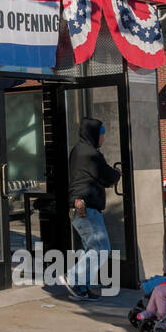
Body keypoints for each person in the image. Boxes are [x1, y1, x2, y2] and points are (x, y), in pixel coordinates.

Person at [63, 117, 122, 300]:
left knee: (93, 248)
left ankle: (81, 288)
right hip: (85, 209)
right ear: (94, 134)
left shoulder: (79, 150)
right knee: (100, 249)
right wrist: (118, 173)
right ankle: (73, 278)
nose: (103, 139)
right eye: (102, 134)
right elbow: (107, 176)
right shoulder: (89, 154)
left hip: (81, 208)